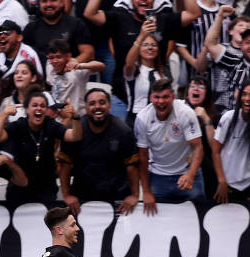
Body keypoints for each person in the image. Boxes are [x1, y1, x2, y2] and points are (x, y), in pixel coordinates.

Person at [57, 88, 142, 216]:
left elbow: (132, 166)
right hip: (83, 198)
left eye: (102, 102)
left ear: (109, 106)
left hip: (117, 197)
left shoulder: (123, 131)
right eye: (92, 103)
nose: (97, 107)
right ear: (85, 107)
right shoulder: (75, 131)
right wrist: (67, 195)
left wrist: (135, 195)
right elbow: (65, 165)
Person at [0, 89, 81, 203]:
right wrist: (4, 114)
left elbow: (75, 136)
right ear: (27, 109)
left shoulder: (51, 125)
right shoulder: (19, 125)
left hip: (46, 189)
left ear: (46, 110)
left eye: (43, 106)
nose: (39, 108)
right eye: (34, 105)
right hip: (20, 188)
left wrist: (75, 117)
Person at [134, 78, 203, 210]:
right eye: (157, 97)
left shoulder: (186, 113)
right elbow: (142, 157)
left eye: (165, 97)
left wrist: (191, 174)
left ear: (173, 96)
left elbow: (197, 147)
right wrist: (146, 191)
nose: (161, 102)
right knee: (158, 224)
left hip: (187, 174)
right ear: (150, 98)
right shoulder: (142, 118)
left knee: (197, 218)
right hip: (158, 176)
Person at [123, 19, 169, 126]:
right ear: (139, 49)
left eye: (153, 45)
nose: (150, 48)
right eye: (145, 45)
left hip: (159, 121)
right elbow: (128, 64)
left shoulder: (163, 73)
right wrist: (140, 37)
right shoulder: (135, 70)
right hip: (136, 120)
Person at [23, 0, 94, 68]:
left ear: (62, 3)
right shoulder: (30, 28)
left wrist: (70, 65)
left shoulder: (76, 24)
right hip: (40, 76)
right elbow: (24, 55)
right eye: (44, 1)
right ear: (39, 4)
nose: (48, 4)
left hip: (70, 75)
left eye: (53, 0)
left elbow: (88, 53)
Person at [45, 39, 103, 117]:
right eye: (51, 58)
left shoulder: (77, 72)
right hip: (58, 118)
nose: (55, 61)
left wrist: (79, 66)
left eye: (59, 57)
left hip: (77, 117)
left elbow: (101, 66)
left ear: (68, 56)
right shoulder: (50, 67)